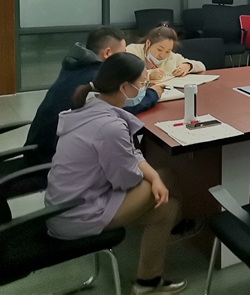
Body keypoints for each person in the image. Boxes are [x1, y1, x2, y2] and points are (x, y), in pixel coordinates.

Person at [45, 52, 187, 294]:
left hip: (66, 205)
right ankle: (176, 231)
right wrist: (156, 179)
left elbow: (129, 154)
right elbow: (127, 180)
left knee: (167, 206)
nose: (144, 88)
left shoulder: (91, 106)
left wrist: (154, 177)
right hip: (77, 214)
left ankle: (147, 282)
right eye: (142, 83)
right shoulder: (109, 127)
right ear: (124, 87)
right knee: (166, 180)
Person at [25, 27, 161, 164]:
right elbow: (122, 109)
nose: (125, 57)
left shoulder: (77, 64)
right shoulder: (96, 79)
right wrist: (153, 94)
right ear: (107, 53)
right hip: (52, 160)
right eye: (122, 53)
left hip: (39, 148)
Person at [127, 24, 206, 82]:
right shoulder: (132, 51)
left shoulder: (171, 57)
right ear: (148, 43)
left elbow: (201, 66)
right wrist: (148, 74)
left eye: (168, 51)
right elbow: (124, 72)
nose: (162, 55)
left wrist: (188, 66)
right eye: (159, 49)